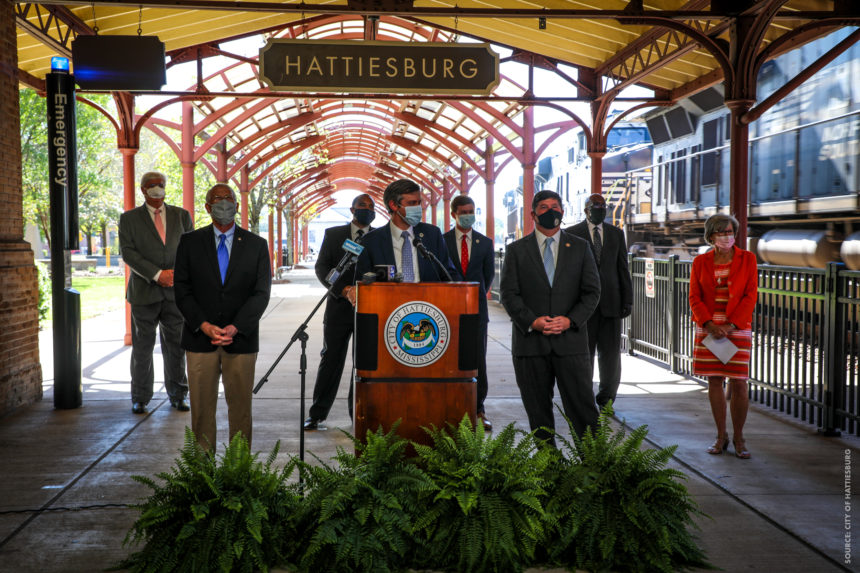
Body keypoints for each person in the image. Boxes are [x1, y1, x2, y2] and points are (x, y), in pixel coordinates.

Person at [173, 183, 271, 451]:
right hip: (199, 339)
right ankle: (203, 475)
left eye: (229, 199)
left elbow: (261, 294)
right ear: (207, 207)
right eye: (217, 199)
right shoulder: (189, 242)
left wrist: (236, 327)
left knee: (241, 411)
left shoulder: (256, 245)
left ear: (237, 206)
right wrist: (203, 325)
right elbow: (182, 290)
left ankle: (238, 471)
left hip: (240, 341)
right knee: (202, 411)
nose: (224, 203)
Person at [500, 190, 601, 445]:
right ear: (533, 214)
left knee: (583, 410)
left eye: (555, 206)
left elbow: (592, 292)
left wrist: (571, 320)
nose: (550, 211)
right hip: (531, 344)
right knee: (538, 413)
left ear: (563, 213)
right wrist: (531, 321)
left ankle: (594, 468)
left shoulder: (580, 248)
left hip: (571, 344)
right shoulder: (516, 251)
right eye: (543, 207)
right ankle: (549, 469)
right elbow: (509, 294)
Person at [118, 171, 194, 414]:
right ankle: (140, 397)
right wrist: (156, 274)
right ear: (143, 190)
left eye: (161, 184)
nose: (157, 188)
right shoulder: (129, 219)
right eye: (152, 185)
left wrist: (174, 275)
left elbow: (191, 250)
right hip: (144, 293)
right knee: (142, 347)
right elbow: (129, 253)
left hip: (174, 293)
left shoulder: (181, 216)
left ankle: (178, 394)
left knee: (176, 347)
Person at [304, 193, 376, 431]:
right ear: (352, 210)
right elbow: (322, 267)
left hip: (370, 310)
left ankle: (358, 415)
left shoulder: (379, 237)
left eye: (371, 206)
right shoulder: (333, 235)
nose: (367, 209)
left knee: (364, 363)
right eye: (362, 206)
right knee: (331, 360)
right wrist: (344, 290)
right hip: (338, 308)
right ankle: (317, 414)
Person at [689, 213, 757, 459]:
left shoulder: (748, 259)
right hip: (708, 328)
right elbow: (694, 296)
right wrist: (708, 323)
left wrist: (730, 325)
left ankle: (739, 438)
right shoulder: (700, 262)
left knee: (739, 382)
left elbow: (751, 295)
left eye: (730, 232)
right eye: (721, 232)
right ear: (711, 236)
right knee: (714, 381)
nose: (727, 236)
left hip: (736, 326)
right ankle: (721, 436)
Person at [565, 193, 633, 413]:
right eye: (596, 206)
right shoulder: (572, 234)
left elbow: (623, 268)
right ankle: (584, 398)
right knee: (584, 355)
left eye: (603, 206)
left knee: (611, 356)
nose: (600, 210)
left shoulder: (615, 234)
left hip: (611, 304)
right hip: (582, 306)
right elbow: (566, 272)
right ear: (586, 210)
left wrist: (627, 299)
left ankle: (607, 399)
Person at [443, 195, 495, 431]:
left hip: (477, 310)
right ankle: (451, 406)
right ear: (454, 214)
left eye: (471, 210)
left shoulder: (485, 243)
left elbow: (488, 276)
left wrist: (473, 297)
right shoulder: (441, 241)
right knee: (449, 357)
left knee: (478, 359)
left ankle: (478, 408)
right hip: (448, 309)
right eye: (463, 211)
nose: (468, 215)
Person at [355, 178, 455, 282]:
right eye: (412, 203)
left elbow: (449, 273)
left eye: (418, 203)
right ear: (393, 205)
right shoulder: (370, 241)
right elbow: (362, 283)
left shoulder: (433, 234)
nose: (417, 208)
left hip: (427, 298)